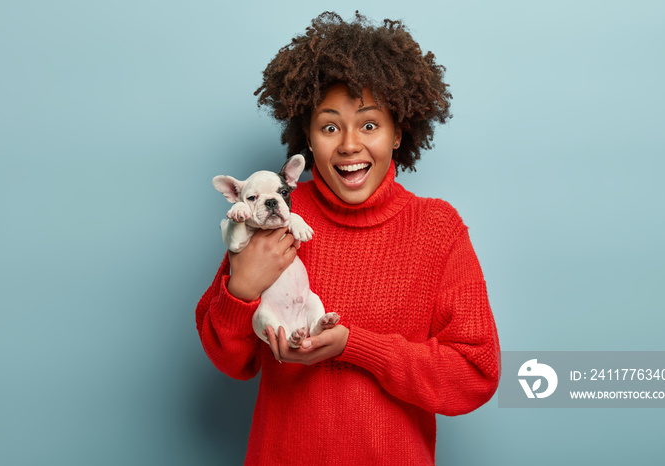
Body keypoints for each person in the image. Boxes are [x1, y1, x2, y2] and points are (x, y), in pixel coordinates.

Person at [196, 11, 500, 465]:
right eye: (330, 126)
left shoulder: (437, 229)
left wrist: (356, 346)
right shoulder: (274, 211)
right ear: (308, 138)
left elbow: (475, 373)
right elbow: (230, 360)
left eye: (370, 125)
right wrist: (240, 290)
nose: (350, 146)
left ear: (399, 132)